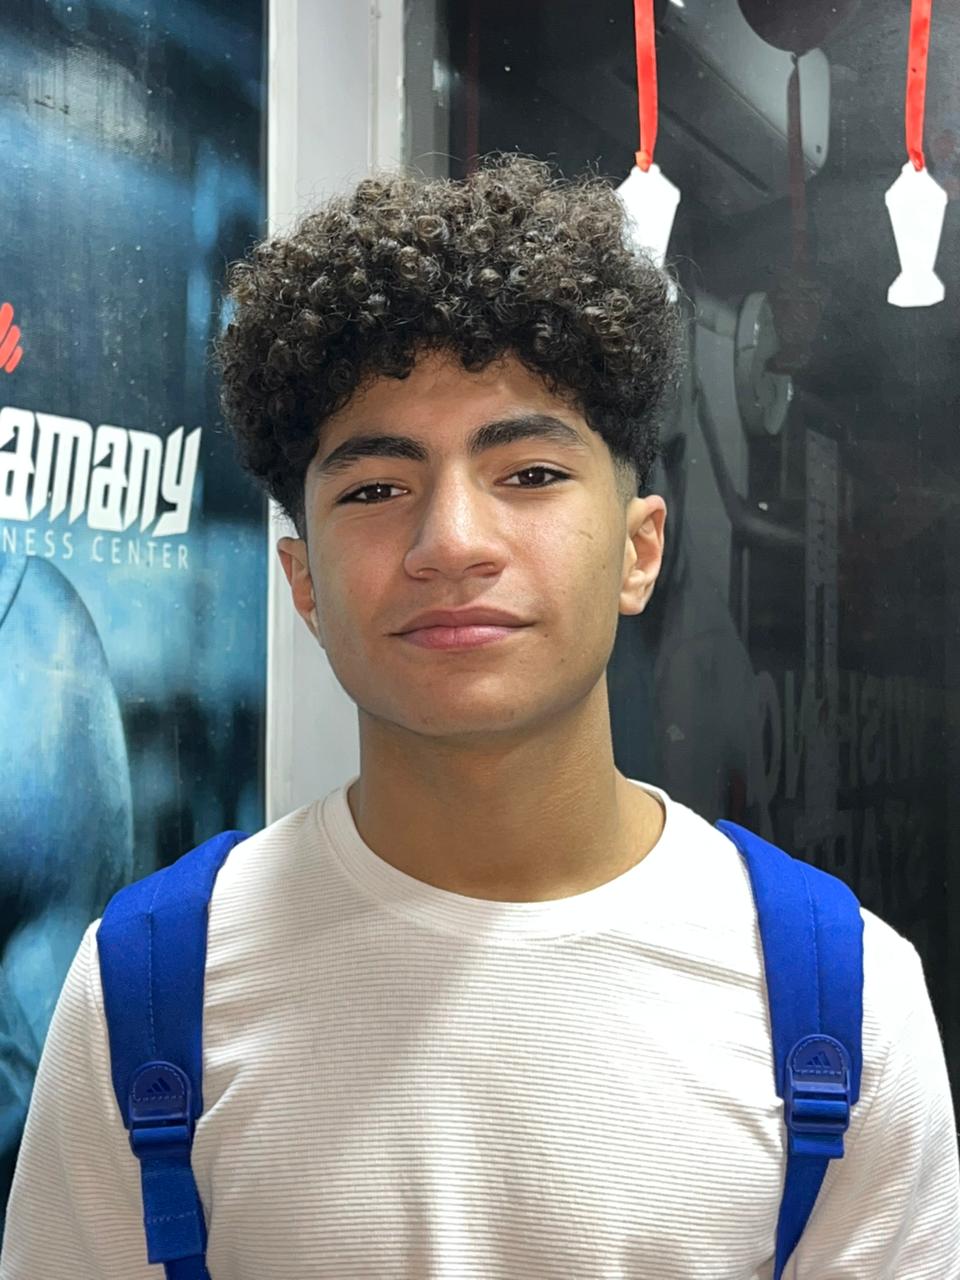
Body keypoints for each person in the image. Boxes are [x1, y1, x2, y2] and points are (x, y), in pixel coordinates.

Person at [1, 155, 957, 1278]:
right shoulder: (148, 994)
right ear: (304, 584)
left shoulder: (844, 1005)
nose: (451, 542)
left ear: (640, 548)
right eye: (375, 488)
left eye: (531, 473)